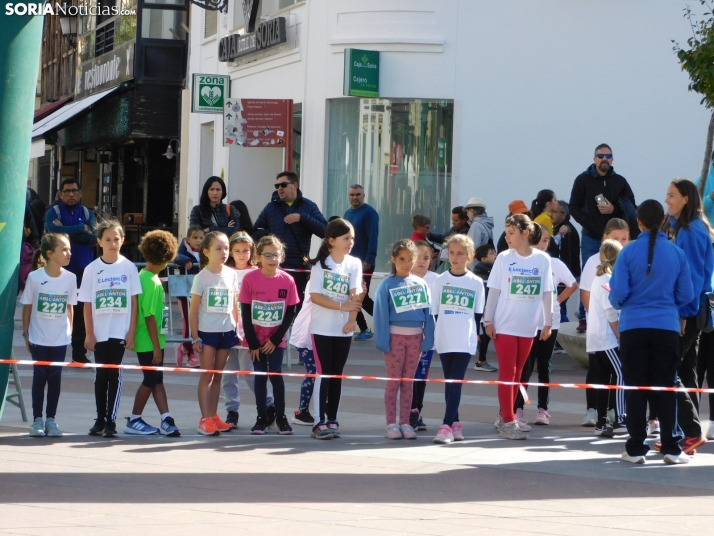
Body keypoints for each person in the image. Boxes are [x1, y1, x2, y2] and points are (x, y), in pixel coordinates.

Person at [609, 199, 694, 465]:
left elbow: (617, 296)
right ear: (664, 221)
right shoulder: (676, 253)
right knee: (666, 388)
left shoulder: (627, 253)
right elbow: (687, 295)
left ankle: (635, 449)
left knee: (636, 388)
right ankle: (670, 447)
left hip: (633, 327)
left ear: (639, 222)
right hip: (666, 327)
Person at [485, 214, 553, 440]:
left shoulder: (543, 260)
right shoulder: (503, 258)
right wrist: (488, 320)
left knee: (520, 373)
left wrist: (548, 322)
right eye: (506, 232)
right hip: (504, 325)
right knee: (508, 372)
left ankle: (508, 414)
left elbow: (546, 292)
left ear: (525, 233)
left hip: (528, 326)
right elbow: (493, 291)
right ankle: (507, 419)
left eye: (511, 232)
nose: (507, 236)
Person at [662, 178, 714, 453]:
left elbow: (691, 279)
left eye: (672, 195)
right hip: (692, 310)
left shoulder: (691, 232)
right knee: (685, 370)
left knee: (666, 369)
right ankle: (686, 433)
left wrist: (683, 314)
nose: (667, 200)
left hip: (690, 312)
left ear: (686, 198)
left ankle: (691, 431)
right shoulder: (688, 228)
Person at [79, 219, 141, 438]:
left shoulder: (129, 268)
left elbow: (134, 303)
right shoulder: (91, 269)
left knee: (114, 374)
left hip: (119, 331)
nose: (112, 243)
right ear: (99, 242)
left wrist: (131, 332)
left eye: (116, 239)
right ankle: (99, 418)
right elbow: (87, 303)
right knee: (101, 375)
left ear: (123, 241)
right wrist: (89, 332)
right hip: (99, 331)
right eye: (108, 239)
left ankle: (111, 421)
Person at [513, 224, 578, 428]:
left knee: (544, 366)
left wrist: (557, 300)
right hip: (526, 322)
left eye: (546, 240)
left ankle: (543, 409)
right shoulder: (521, 262)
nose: (542, 244)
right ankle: (519, 407)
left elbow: (573, 284)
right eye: (539, 239)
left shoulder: (555, 263)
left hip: (550, 322)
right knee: (524, 367)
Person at [569, 144, 636, 332]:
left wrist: (613, 209)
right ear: (594, 159)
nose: (604, 159)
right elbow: (573, 207)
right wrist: (589, 223)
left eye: (607, 156)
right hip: (591, 237)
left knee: (618, 272)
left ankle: (617, 311)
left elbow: (631, 205)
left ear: (612, 159)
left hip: (615, 239)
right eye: (600, 156)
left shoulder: (620, 181)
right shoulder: (582, 180)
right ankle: (584, 316)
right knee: (589, 275)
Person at [374, 239, 435, 440]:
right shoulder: (386, 284)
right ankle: (391, 423)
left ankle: (406, 422)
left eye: (410, 259)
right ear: (393, 259)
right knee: (394, 381)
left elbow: (429, 314)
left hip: (416, 338)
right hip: (394, 339)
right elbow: (380, 313)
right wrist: (383, 340)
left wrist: (429, 339)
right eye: (402, 259)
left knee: (408, 382)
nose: (406, 263)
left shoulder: (421, 283)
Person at [308, 218, 362, 439]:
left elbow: (356, 293)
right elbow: (316, 296)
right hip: (322, 328)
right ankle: (318, 421)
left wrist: (351, 318)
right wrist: (342, 305)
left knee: (337, 374)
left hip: (343, 330)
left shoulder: (354, 264)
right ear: (331, 240)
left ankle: (332, 418)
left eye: (352, 238)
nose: (350, 242)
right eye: (346, 238)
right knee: (324, 374)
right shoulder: (321, 265)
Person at [239, 235, 299, 435]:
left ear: (282, 256)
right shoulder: (250, 279)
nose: (273, 259)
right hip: (255, 339)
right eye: (268, 255)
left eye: (276, 254)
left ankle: (281, 417)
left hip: (276, 340)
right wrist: (254, 343)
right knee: (260, 376)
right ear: (258, 257)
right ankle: (261, 417)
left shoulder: (288, 280)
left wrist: (275, 339)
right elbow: (245, 312)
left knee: (275, 374)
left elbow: (291, 311)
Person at [124, 230, 181, 437]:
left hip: (153, 339)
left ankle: (166, 417)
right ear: (167, 257)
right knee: (150, 378)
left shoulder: (144, 277)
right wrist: (156, 346)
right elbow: (148, 316)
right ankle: (134, 418)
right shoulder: (152, 282)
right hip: (149, 341)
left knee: (157, 379)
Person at [430, 234, 485, 444]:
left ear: (469, 256)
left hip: (464, 339)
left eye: (460, 253)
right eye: (451, 252)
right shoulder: (439, 280)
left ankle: (445, 426)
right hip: (444, 337)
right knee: (449, 382)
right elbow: (435, 312)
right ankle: (456, 423)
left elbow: (477, 315)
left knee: (455, 382)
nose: (455, 257)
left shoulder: (477, 283)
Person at [21, 234, 77, 437]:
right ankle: (37, 420)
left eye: (69, 249)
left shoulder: (71, 278)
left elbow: (70, 307)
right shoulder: (35, 278)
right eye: (64, 250)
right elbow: (27, 307)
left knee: (55, 379)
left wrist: (69, 330)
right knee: (39, 377)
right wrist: (26, 333)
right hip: (38, 338)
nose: (69, 253)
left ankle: (51, 420)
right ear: (50, 253)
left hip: (60, 339)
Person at [578, 218, 629, 427]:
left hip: (604, 332)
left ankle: (603, 419)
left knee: (608, 376)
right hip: (606, 334)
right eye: (617, 239)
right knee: (614, 373)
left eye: (625, 238)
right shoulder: (601, 273)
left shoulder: (606, 275)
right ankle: (617, 416)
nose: (622, 242)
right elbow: (606, 308)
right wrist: (616, 330)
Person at [189, 231, 239, 436]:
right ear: (207, 251)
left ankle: (213, 415)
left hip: (226, 331)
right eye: (219, 248)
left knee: (218, 376)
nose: (224, 252)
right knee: (207, 375)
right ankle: (204, 419)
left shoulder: (232, 274)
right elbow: (193, 310)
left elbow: (235, 304)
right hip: (207, 332)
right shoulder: (201, 278)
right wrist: (195, 337)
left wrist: (237, 328)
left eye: (226, 248)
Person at [222, 233, 275, 429]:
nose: (242, 255)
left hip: (249, 331)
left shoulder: (257, 272)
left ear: (252, 251)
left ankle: (269, 405)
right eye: (237, 251)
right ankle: (232, 411)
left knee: (249, 372)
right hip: (227, 329)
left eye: (246, 250)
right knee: (228, 375)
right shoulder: (225, 272)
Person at [253, 171, 327, 305]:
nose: (280, 188)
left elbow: (325, 231)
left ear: (295, 185)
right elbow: (256, 231)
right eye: (277, 185)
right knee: (274, 303)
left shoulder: (309, 206)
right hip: (274, 266)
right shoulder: (271, 207)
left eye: (283, 184)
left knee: (297, 306)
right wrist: (270, 236)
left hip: (298, 267)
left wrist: (303, 218)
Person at [45, 178, 97, 365]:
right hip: (60, 273)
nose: (71, 194)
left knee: (82, 314)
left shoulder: (88, 213)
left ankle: (79, 354)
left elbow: (93, 237)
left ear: (80, 193)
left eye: (74, 191)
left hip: (84, 272)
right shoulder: (53, 212)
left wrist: (65, 232)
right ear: (60, 194)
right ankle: (51, 354)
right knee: (56, 313)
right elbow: (52, 231)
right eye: (67, 191)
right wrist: (78, 229)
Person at [586, 239, 623, 437]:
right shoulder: (607, 280)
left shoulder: (598, 278)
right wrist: (619, 335)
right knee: (621, 373)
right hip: (606, 338)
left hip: (596, 339)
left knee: (602, 380)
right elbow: (610, 313)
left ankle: (601, 423)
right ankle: (620, 418)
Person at [408, 241, 439, 431]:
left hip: (427, 338)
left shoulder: (437, 279)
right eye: (417, 257)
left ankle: (417, 412)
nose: (421, 261)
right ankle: (409, 411)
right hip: (406, 337)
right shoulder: (402, 278)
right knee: (408, 377)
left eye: (426, 258)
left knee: (421, 377)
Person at [343, 184, 379, 342]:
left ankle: (386, 321)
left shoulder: (369, 213)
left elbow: (373, 238)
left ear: (363, 195)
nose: (354, 197)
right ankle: (364, 328)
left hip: (364, 263)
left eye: (357, 194)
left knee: (361, 297)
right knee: (351, 296)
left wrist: (369, 259)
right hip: (349, 263)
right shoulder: (347, 213)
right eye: (351, 195)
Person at [173, 226, 204, 368]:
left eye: (201, 238)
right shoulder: (183, 249)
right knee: (188, 322)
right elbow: (176, 256)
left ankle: (186, 348)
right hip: (185, 292)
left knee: (198, 322)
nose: (198, 241)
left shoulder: (205, 251)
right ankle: (190, 353)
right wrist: (186, 261)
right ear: (188, 239)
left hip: (200, 292)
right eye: (195, 238)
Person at [289, 291, 316, 426]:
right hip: (306, 336)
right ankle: (302, 411)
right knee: (313, 373)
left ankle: (324, 411)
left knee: (324, 374)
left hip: (324, 335)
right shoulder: (315, 279)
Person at [551, 201, 581, 322]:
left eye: (554, 212)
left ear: (564, 215)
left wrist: (565, 277)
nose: (551, 214)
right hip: (565, 276)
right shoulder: (560, 229)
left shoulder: (566, 231)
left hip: (565, 277)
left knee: (559, 309)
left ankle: (561, 339)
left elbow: (568, 256)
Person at [472, 244, 498, 372]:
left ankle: (481, 358)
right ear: (483, 258)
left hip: (490, 308)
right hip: (484, 308)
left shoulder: (494, 269)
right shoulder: (481, 270)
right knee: (488, 334)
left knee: (488, 335)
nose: (495, 255)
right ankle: (481, 361)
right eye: (492, 253)